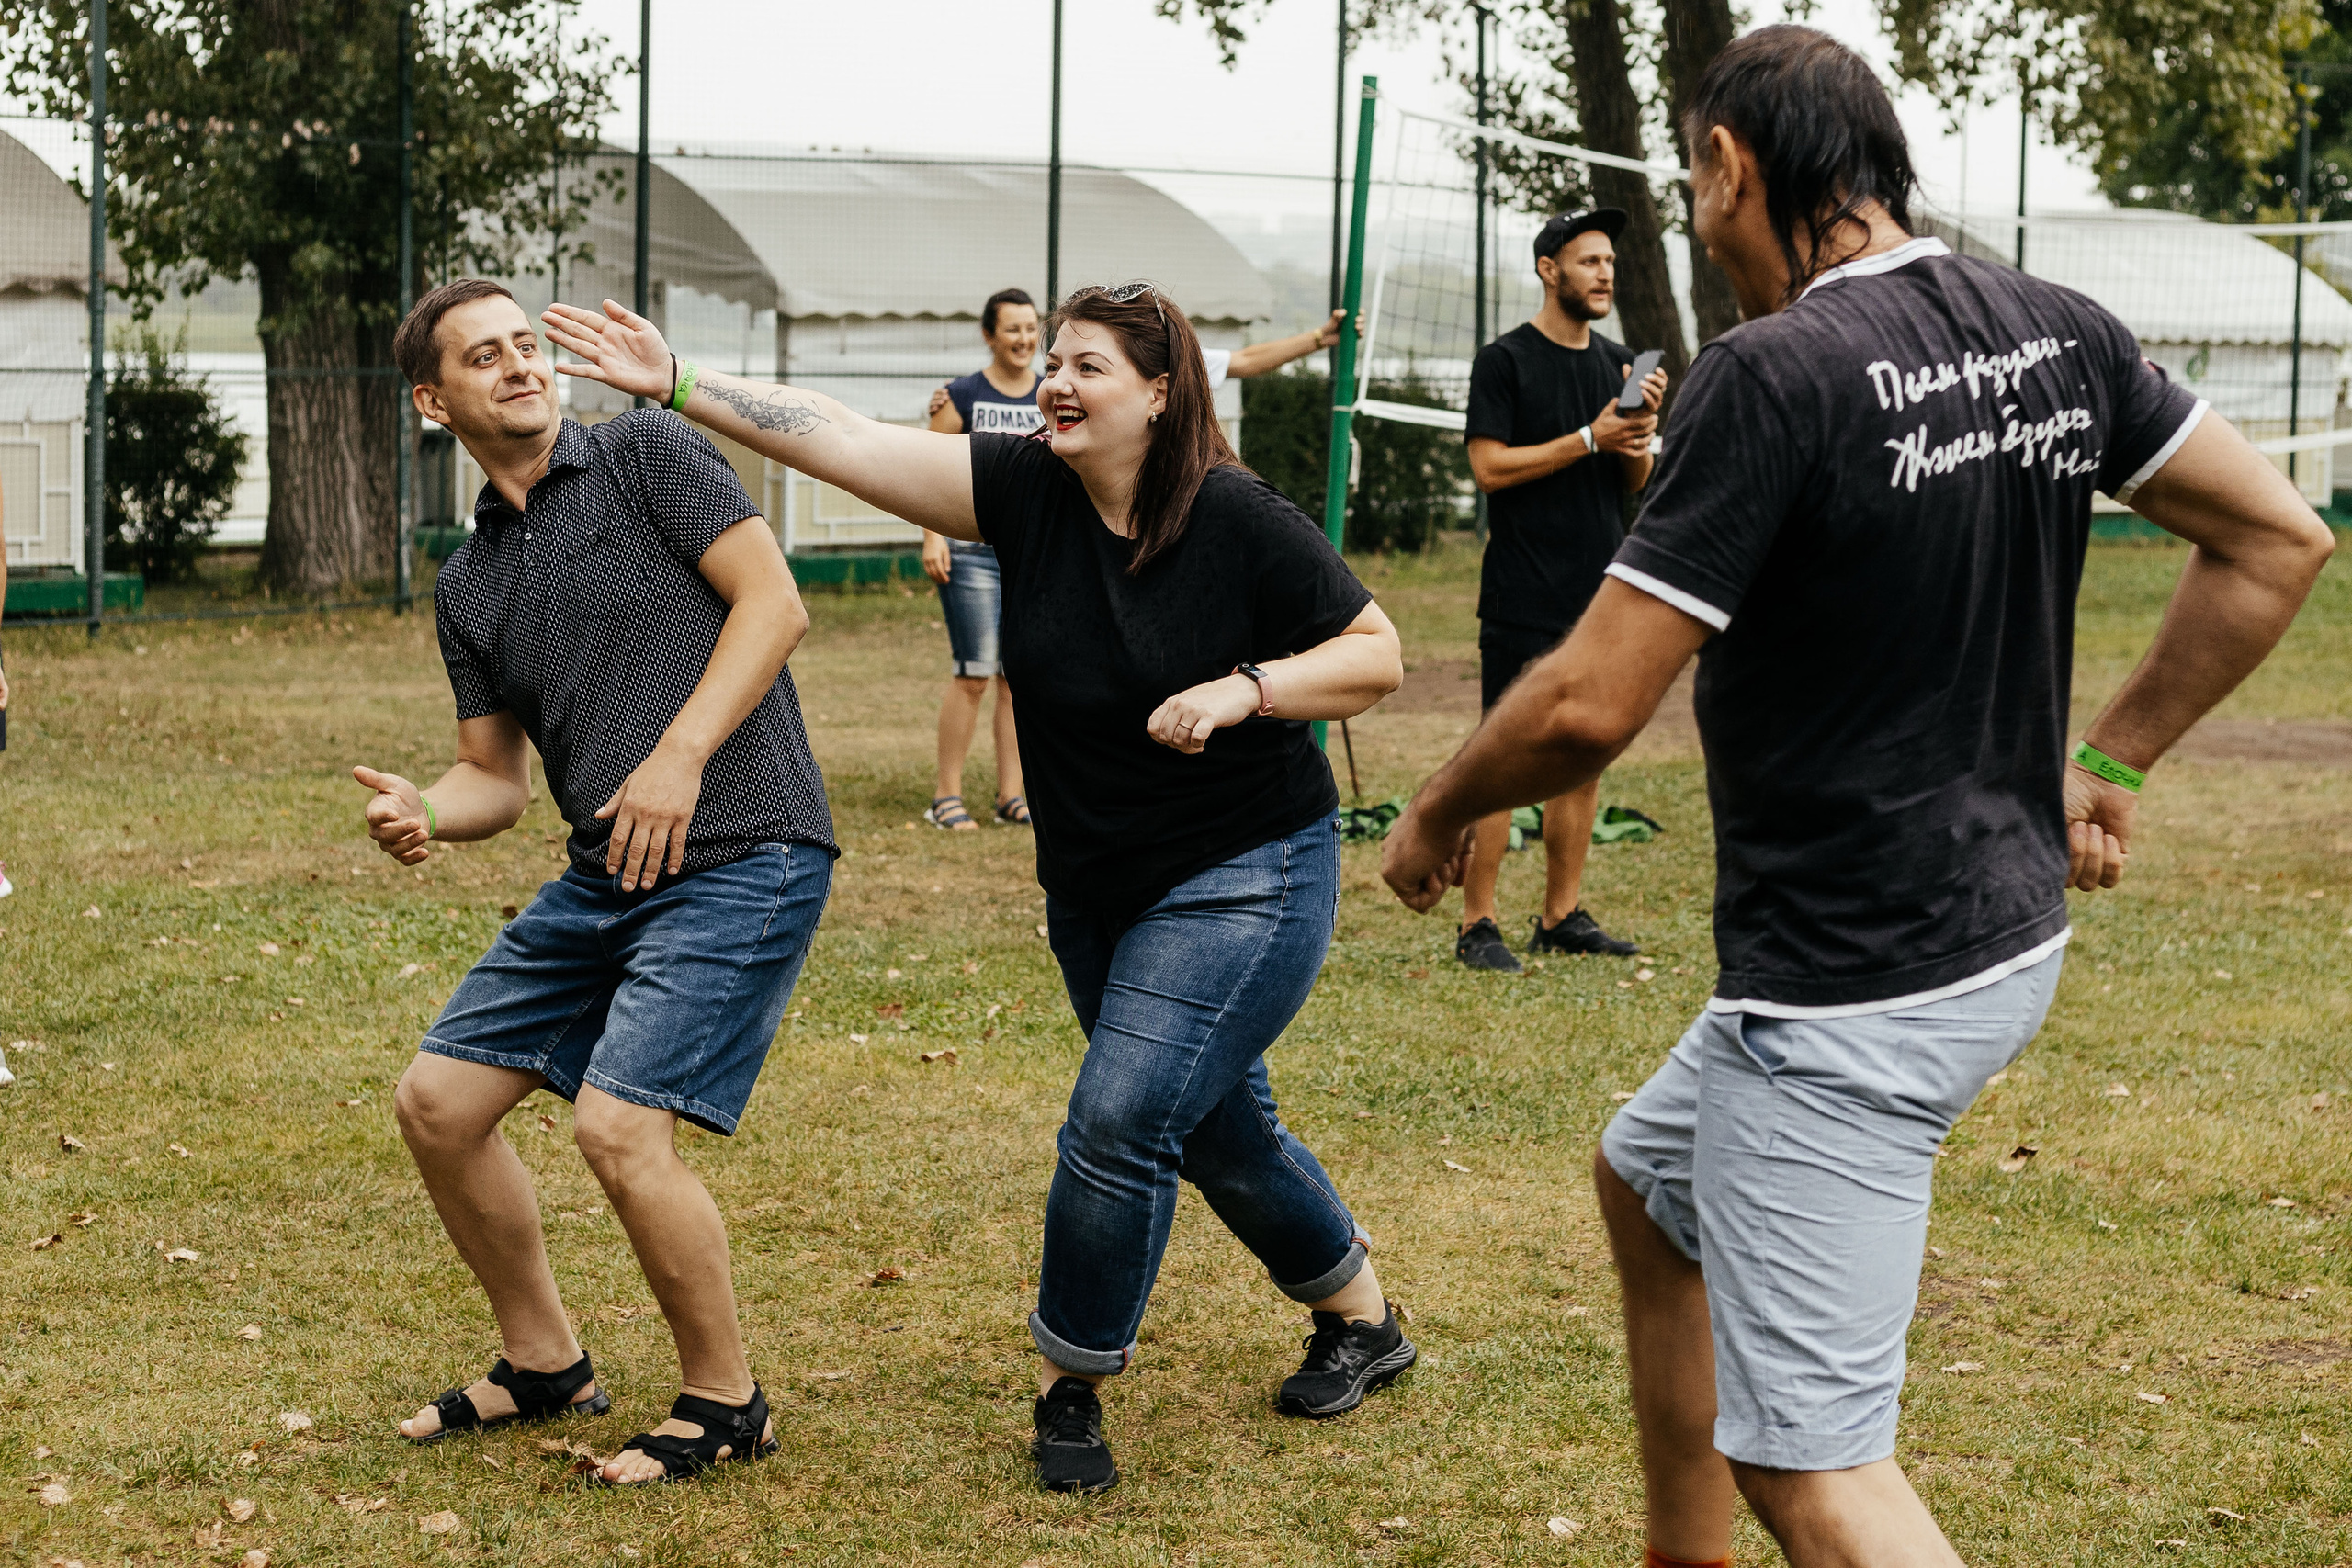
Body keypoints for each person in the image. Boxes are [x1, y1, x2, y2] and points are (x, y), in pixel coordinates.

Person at [1378, 26, 2330, 1568]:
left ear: (1731, 167)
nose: (1692, 222)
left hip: (1848, 992)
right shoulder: (2053, 327)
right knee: (1647, 1180)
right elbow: (2279, 536)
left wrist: (1432, 812)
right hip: (1996, 939)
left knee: (1816, 1475)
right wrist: (2111, 762)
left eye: (1696, 184)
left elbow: (1587, 703)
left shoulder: (1768, 375)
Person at [544, 279, 1412, 1498]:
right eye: (1051, 359)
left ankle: (1072, 1383)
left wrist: (1245, 690)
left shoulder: (1234, 515)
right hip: (1100, 886)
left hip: (1248, 874)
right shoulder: (1023, 488)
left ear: (1162, 393)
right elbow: (841, 437)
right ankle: (1365, 1319)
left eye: (1089, 366)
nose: (1055, 380)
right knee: (1219, 1122)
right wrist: (679, 379)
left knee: (1119, 1117)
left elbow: (1378, 652)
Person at [361, 277, 836, 1489]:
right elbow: (493, 778)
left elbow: (774, 603)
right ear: (435, 398)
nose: (520, 364)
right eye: (485, 354)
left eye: (527, 343)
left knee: (619, 1127)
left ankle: (728, 1400)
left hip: (746, 841)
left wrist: (679, 755)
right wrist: (426, 808)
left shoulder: (645, 452)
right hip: (608, 866)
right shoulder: (468, 583)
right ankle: (546, 1360)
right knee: (438, 1101)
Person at [1453, 207, 1667, 974]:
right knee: (1504, 757)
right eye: (1588, 261)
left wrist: (1635, 432)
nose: (1605, 273)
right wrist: (1589, 437)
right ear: (1549, 269)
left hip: (1599, 592)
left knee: (1583, 752)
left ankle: (1560, 914)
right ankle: (1478, 922)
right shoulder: (1503, 361)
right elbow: (1489, 469)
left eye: (1610, 261)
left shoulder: (1617, 364)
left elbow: (1633, 480)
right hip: (1522, 589)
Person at [920, 287, 1039, 830]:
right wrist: (933, 536)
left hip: (1031, 555)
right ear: (990, 335)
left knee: (1017, 678)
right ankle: (947, 797)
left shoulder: (1052, 394)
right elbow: (929, 469)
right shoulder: (962, 397)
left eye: (1032, 327)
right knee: (973, 674)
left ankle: (1012, 795)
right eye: (1012, 328)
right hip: (969, 556)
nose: (1024, 338)